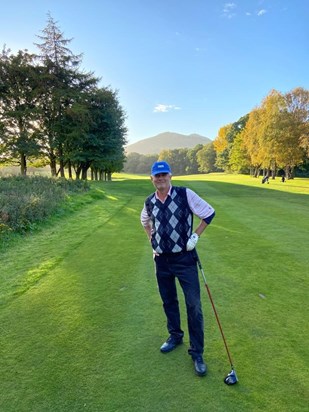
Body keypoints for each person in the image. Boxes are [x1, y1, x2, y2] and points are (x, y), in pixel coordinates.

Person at [140, 161, 215, 377]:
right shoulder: (149, 201)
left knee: (194, 305)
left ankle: (197, 352)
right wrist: (152, 242)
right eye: (157, 175)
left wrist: (195, 235)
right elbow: (145, 222)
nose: (160, 178)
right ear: (151, 179)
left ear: (170, 176)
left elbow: (208, 213)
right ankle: (175, 335)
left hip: (184, 259)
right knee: (169, 300)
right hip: (161, 260)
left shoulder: (185, 194)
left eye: (164, 174)